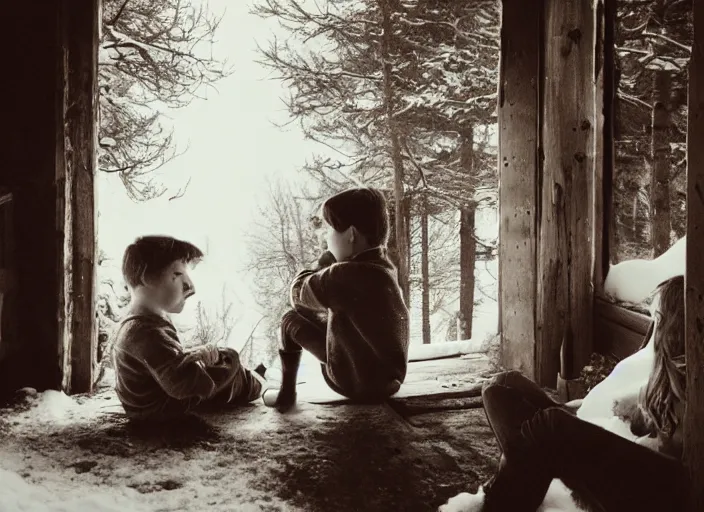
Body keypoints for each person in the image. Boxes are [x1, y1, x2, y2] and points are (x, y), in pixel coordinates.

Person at [442, 275, 688, 512]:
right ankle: (527, 470)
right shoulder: (669, 377)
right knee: (502, 386)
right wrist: (617, 411)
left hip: (663, 492)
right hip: (639, 463)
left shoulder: (694, 385)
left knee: (550, 425)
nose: (654, 331)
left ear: (676, 326)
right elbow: (645, 416)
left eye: (659, 319)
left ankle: (497, 503)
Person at [263, 187, 410, 411]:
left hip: (355, 382)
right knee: (326, 313)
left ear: (351, 234)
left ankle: (286, 394)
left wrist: (323, 262)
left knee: (290, 318)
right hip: (388, 379)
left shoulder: (344, 275)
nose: (326, 236)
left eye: (330, 229)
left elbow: (297, 293)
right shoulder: (383, 267)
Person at [112, 235, 265, 422]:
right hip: (160, 411)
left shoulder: (139, 324)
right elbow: (182, 385)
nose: (190, 287)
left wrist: (198, 356)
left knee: (222, 360)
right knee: (229, 359)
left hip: (152, 404)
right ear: (146, 278)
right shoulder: (145, 333)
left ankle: (252, 380)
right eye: (177, 275)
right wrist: (204, 362)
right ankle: (257, 385)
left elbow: (167, 363)